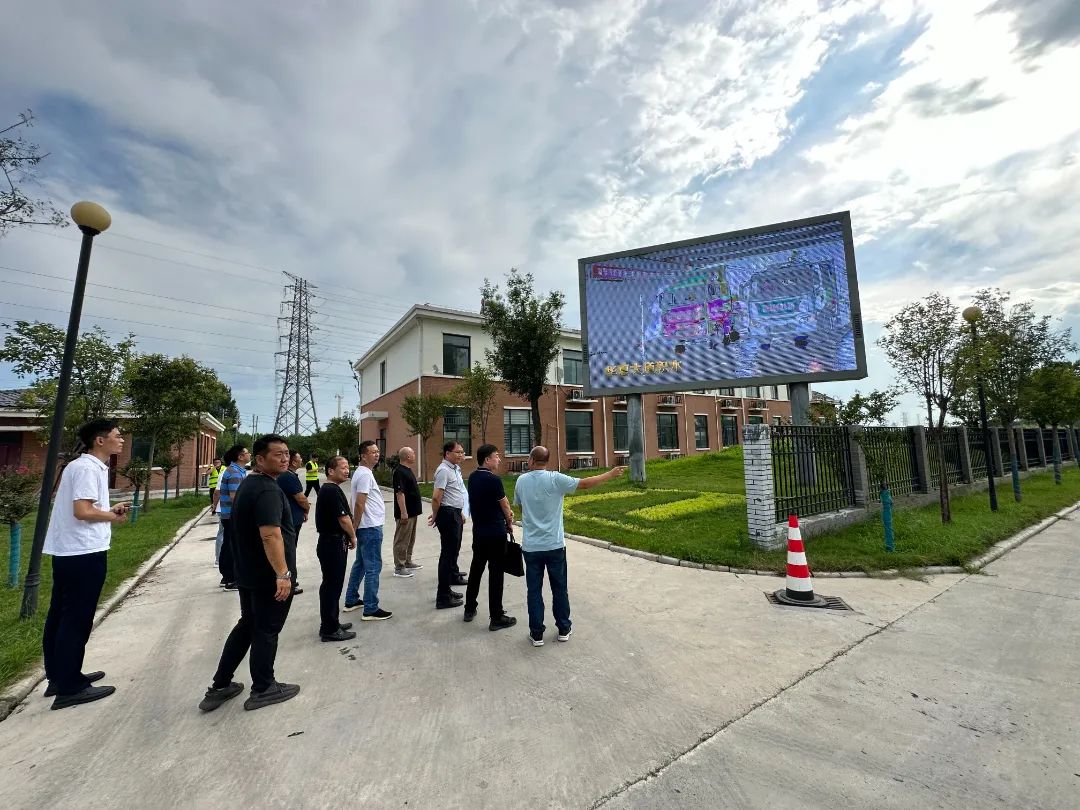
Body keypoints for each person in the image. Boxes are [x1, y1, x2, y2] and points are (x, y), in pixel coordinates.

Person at [199, 434, 300, 712]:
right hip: (267, 577)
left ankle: (220, 685)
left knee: (248, 625)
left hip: (248, 573)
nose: (285, 458)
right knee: (266, 630)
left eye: (287, 453)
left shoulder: (249, 483)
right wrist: (282, 574)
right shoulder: (267, 490)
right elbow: (270, 535)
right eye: (278, 454)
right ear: (260, 459)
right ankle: (264, 688)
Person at [41, 419, 129, 710]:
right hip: (83, 552)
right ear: (99, 440)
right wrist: (112, 516)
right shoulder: (88, 468)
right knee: (76, 619)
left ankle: (60, 676)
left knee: (61, 615)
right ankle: (70, 688)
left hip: (70, 551)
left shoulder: (83, 467)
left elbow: (87, 508)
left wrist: (108, 510)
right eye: (117, 435)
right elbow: (82, 511)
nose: (122, 440)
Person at [513, 447, 627, 647]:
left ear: (531, 460)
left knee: (534, 591)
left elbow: (521, 507)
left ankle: (536, 634)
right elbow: (585, 484)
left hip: (531, 547)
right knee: (559, 588)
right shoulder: (556, 479)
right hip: (554, 545)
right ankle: (564, 628)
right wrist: (610, 474)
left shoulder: (521, 481)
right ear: (547, 460)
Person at [464, 444, 516, 631]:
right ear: (487, 459)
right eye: (496, 456)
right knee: (496, 574)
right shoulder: (494, 480)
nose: (499, 459)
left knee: (476, 570)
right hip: (495, 533)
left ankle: (469, 608)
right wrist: (509, 521)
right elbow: (505, 505)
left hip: (479, 533)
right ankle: (496, 616)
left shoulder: (472, 477)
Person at [342, 440, 392, 620]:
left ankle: (351, 599)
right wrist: (353, 528)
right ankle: (371, 608)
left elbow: (356, 501)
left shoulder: (362, 472)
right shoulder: (364, 474)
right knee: (373, 567)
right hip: (370, 527)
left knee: (361, 564)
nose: (377, 454)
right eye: (373, 452)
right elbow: (359, 503)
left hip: (367, 526)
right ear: (363, 456)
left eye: (377, 451)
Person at [315, 455, 357, 642]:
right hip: (331, 543)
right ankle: (329, 629)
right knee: (332, 586)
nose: (347, 471)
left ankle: (332, 622)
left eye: (348, 467)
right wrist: (353, 536)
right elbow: (343, 518)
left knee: (333, 585)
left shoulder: (331, 489)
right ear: (331, 471)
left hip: (332, 542)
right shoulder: (331, 490)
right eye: (343, 467)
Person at [428, 441, 468, 609]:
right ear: (447, 453)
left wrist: (460, 512)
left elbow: (454, 493)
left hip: (454, 513)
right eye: (457, 452)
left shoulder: (454, 469)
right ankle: (443, 597)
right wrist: (435, 515)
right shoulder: (444, 470)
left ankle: (448, 587)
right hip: (448, 514)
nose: (461, 454)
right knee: (447, 555)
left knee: (452, 554)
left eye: (462, 452)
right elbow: (437, 497)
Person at [216, 444, 250, 591]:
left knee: (228, 544)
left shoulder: (237, 470)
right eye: (247, 453)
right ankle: (230, 579)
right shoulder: (235, 473)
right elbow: (235, 497)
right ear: (240, 457)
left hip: (229, 514)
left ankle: (226, 577)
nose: (249, 454)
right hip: (232, 515)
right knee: (232, 546)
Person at [277, 451, 310, 596]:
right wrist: (307, 508)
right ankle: (291, 582)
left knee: (290, 549)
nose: (301, 459)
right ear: (293, 461)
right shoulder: (288, 477)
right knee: (289, 552)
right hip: (290, 521)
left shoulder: (288, 475)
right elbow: (301, 498)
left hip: (292, 519)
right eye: (299, 457)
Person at [391, 447, 423, 578]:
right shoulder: (399, 472)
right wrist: (403, 513)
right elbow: (400, 493)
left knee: (410, 539)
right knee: (402, 540)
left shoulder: (407, 470)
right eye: (413, 453)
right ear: (408, 457)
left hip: (413, 512)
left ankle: (407, 561)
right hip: (406, 513)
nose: (415, 455)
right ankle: (399, 567)